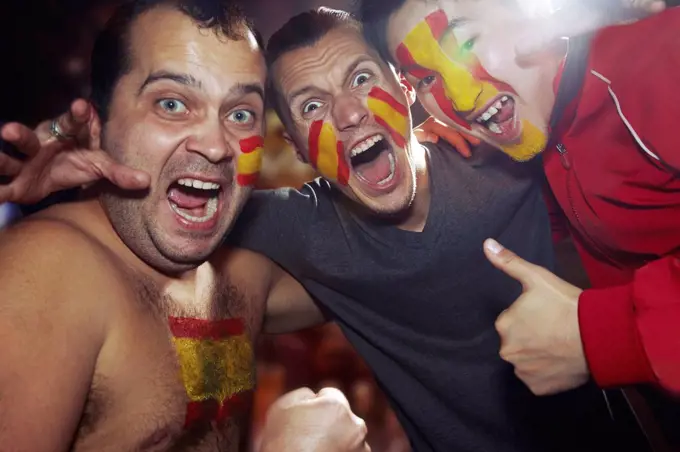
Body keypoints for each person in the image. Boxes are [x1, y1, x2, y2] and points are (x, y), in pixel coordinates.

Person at [1, 6, 624, 452]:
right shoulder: (299, 227)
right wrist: (68, 172)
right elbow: (133, 225)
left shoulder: (506, 160)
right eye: (311, 106)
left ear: (405, 93)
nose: (350, 114)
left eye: (360, 80)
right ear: (297, 146)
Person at [0, 1, 370, 450]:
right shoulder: (48, 271)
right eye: (172, 103)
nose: (216, 146)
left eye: (239, 114)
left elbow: (384, 260)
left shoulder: (244, 277)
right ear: (96, 128)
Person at [358, 0, 680, 445]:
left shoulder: (664, 59)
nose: (462, 97)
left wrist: (598, 336)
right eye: (428, 78)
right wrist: (440, 168)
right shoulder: (544, 124)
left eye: (468, 41)